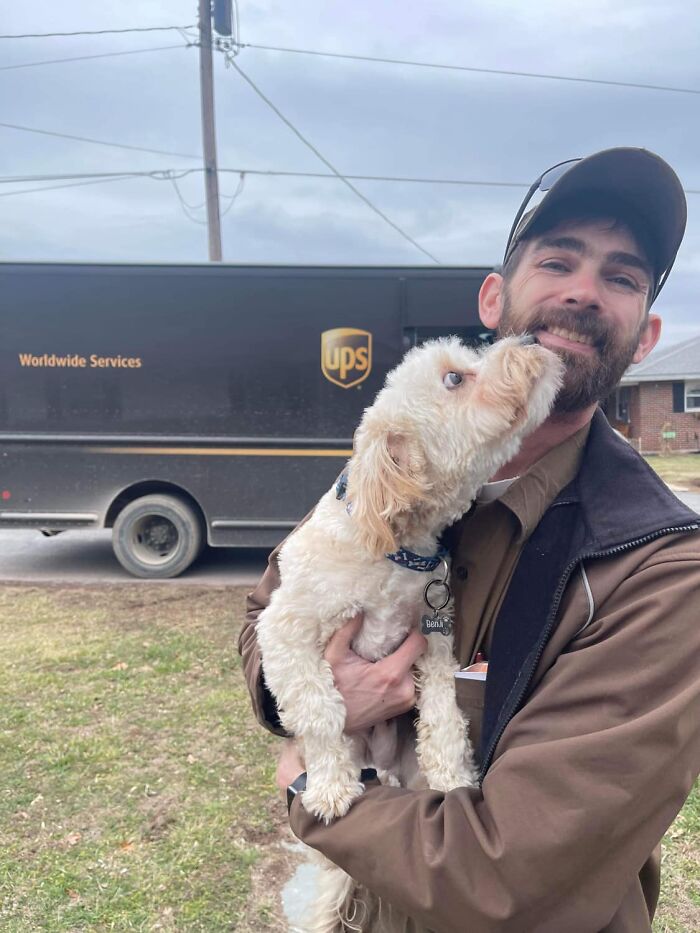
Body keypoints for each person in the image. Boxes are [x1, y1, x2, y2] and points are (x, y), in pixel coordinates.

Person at [239, 148, 700, 932]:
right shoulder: (391, 466)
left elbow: (514, 876)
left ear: (646, 334)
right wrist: (310, 697)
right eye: (558, 259)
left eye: (622, 277)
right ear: (494, 298)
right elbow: (266, 612)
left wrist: (312, 795)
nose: (584, 290)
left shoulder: (661, 569)